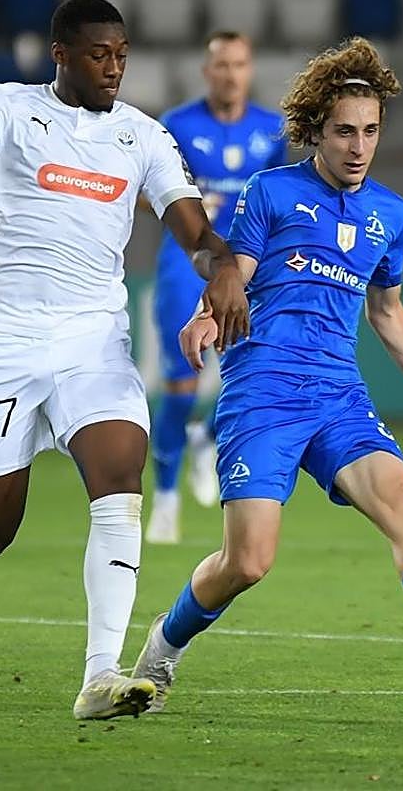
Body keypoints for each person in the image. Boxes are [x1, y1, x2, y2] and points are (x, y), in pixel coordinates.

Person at [130, 38, 403, 712]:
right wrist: (211, 311)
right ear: (316, 132)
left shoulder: (391, 213)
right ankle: (165, 644)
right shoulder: (271, 191)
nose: (359, 146)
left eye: (371, 132)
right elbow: (231, 267)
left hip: (337, 396)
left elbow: (387, 310)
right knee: (248, 563)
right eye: (345, 132)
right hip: (262, 392)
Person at [0, 0, 248, 721]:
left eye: (121, 54)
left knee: (120, 479)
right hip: (3, 346)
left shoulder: (143, 136)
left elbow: (193, 228)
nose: (113, 67)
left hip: (92, 345)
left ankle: (101, 676)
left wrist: (225, 265)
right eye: (98, 54)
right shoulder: (9, 108)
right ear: (61, 55)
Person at [147, 31, 288, 545]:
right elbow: (147, 191)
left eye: (239, 64)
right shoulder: (177, 125)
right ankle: (165, 498)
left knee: (247, 379)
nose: (230, 74)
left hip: (248, 265)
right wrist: (185, 207)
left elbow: (280, 197)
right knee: (181, 385)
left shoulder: (272, 131)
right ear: (207, 72)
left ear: (249, 71)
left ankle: (206, 439)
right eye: (221, 65)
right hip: (188, 262)